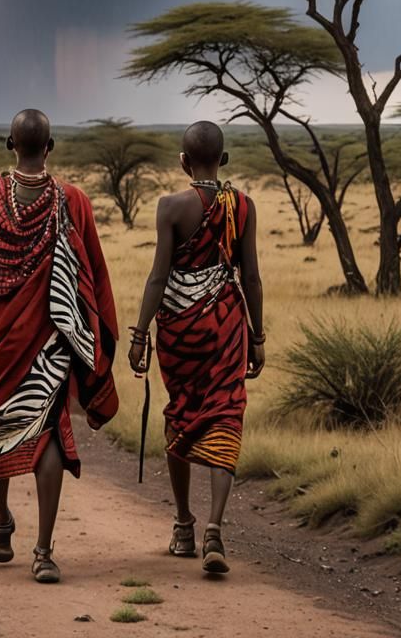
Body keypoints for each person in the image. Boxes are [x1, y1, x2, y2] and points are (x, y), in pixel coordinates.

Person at [0, 108, 118, 584]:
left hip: (0, 340)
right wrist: (97, 334)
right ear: (51, 146)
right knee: (50, 433)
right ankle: (43, 552)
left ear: (9, 144)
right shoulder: (73, 201)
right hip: (53, 339)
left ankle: (3, 523)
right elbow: (93, 273)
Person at [128, 121, 264, 575]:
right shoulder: (242, 206)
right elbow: (251, 278)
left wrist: (139, 334)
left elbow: (157, 277)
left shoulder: (170, 206)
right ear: (222, 160)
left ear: (184, 162)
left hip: (178, 331)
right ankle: (214, 528)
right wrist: (257, 336)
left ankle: (184, 525)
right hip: (226, 327)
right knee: (225, 413)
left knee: (181, 413)